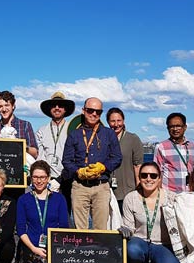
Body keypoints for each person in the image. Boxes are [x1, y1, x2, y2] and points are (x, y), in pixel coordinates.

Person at [118, 162, 181, 263]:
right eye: (144, 175)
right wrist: (125, 230)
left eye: (153, 176)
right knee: (133, 249)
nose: (148, 179)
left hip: (163, 244)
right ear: (139, 177)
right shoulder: (131, 198)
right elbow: (129, 226)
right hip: (140, 241)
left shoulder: (171, 198)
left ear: (159, 178)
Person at [62, 97, 122, 230]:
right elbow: (66, 160)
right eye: (90, 110)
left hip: (101, 186)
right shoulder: (74, 135)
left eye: (98, 112)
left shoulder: (109, 134)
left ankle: (99, 251)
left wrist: (104, 167)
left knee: (101, 229)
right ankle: (82, 251)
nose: (94, 114)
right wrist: (78, 171)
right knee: (80, 229)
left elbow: (117, 157)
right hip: (80, 186)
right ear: (83, 110)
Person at [15, 161, 69, 263]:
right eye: (35, 177)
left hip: (53, 248)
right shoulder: (23, 200)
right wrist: (34, 248)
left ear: (48, 178)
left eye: (42, 177)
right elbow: (21, 229)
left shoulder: (59, 198)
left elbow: (64, 227)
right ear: (31, 178)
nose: (39, 181)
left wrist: (54, 248)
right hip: (30, 247)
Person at [36, 91, 75, 212]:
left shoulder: (72, 129)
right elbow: (40, 156)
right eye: (54, 105)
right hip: (47, 180)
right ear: (49, 109)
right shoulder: (41, 131)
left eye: (60, 105)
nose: (57, 108)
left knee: (66, 214)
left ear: (65, 110)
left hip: (67, 179)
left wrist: (60, 179)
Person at [107, 107, 143, 212]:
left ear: (123, 121)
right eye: (112, 121)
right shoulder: (104, 139)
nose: (116, 124)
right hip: (109, 191)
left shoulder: (133, 139)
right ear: (108, 122)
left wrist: (140, 190)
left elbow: (138, 166)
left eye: (119, 120)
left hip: (128, 191)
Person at [153, 112, 194, 193]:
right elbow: (157, 173)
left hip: (190, 193)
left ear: (185, 127)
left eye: (178, 126)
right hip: (170, 194)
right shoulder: (161, 147)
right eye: (171, 126)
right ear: (167, 128)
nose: (175, 129)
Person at [0, 90, 38, 159]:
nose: (4, 109)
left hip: (19, 167)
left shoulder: (25, 125)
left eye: (7, 105)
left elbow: (35, 153)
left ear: (13, 106)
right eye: (0, 106)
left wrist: (21, 146)